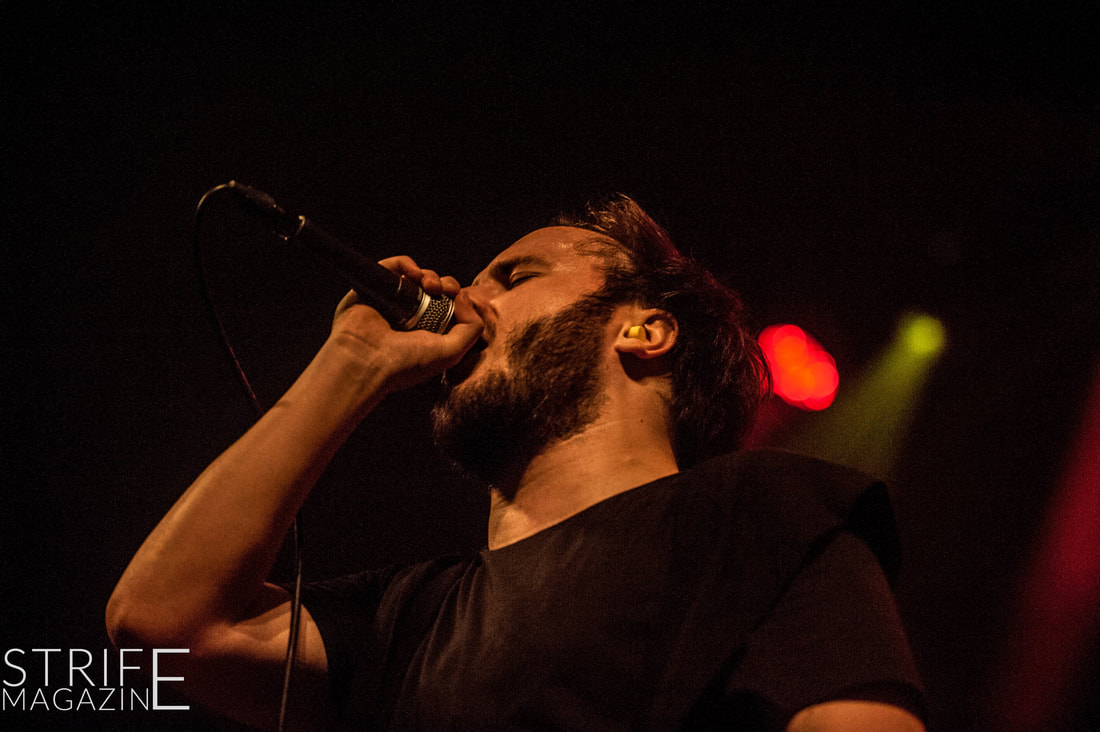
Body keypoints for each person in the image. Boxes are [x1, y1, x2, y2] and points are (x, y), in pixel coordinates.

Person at [106, 195, 926, 731]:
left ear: (643, 330)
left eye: (514, 276)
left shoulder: (758, 511)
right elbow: (162, 627)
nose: (464, 299)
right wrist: (351, 361)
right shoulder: (410, 614)